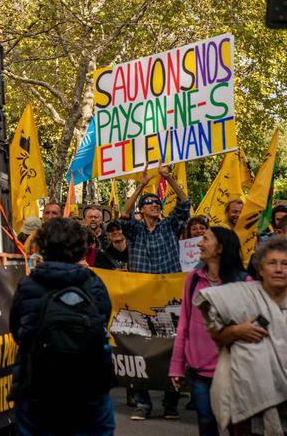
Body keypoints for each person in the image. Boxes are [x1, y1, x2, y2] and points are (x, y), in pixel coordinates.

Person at [10, 217, 115, 435]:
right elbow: (103, 321)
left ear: (43, 247)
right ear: (80, 248)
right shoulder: (94, 283)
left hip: (38, 388)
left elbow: (17, 331)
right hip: (89, 388)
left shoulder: (28, 285)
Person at [117, 165, 190, 419]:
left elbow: (184, 203)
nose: (155, 206)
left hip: (168, 301)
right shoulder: (135, 231)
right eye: (149, 203)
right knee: (140, 350)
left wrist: (168, 178)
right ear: (142, 209)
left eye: (157, 203)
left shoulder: (170, 226)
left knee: (171, 350)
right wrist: (140, 185)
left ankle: (170, 405)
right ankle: (143, 404)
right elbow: (123, 216)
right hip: (140, 299)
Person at [197, 237, 287, 434]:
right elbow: (216, 334)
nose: (279, 269)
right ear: (260, 269)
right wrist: (236, 331)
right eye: (272, 263)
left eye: (285, 264)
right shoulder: (239, 298)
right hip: (245, 397)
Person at [169, 227, 249, 435]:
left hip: (234, 373)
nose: (199, 243)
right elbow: (184, 323)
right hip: (199, 373)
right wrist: (177, 366)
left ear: (220, 248)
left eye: (205, 239)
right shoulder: (193, 279)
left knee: (238, 429)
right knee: (206, 425)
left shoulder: (244, 282)